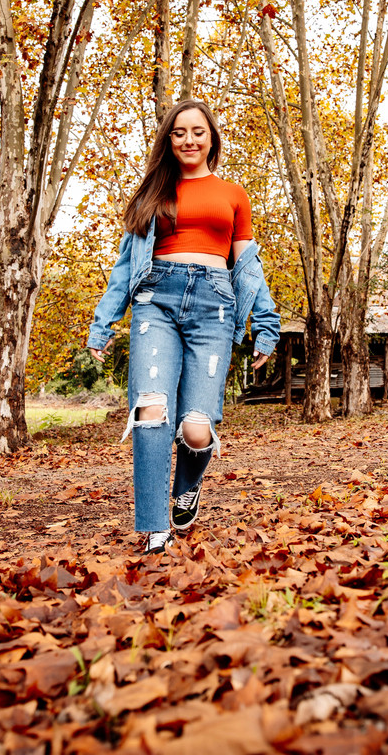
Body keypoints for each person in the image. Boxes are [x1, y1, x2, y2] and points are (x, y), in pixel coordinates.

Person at [86, 99, 280, 555]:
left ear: (211, 138)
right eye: (178, 133)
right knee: (151, 411)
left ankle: (187, 488)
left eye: (197, 131)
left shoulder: (233, 194)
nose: (188, 140)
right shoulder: (153, 194)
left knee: (195, 430)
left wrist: (265, 324)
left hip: (215, 307)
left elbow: (248, 267)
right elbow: (124, 265)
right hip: (155, 301)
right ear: (168, 141)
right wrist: (103, 322)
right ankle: (156, 529)